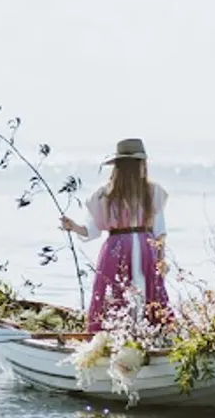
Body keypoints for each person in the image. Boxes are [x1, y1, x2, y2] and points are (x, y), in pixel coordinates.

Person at [60, 138, 172, 332]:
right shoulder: (105, 194)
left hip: (134, 248)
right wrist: (74, 227)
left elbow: (159, 232)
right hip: (125, 249)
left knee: (141, 289)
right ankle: (126, 332)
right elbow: (93, 229)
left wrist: (161, 260)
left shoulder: (152, 191)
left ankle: (139, 331)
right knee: (121, 290)